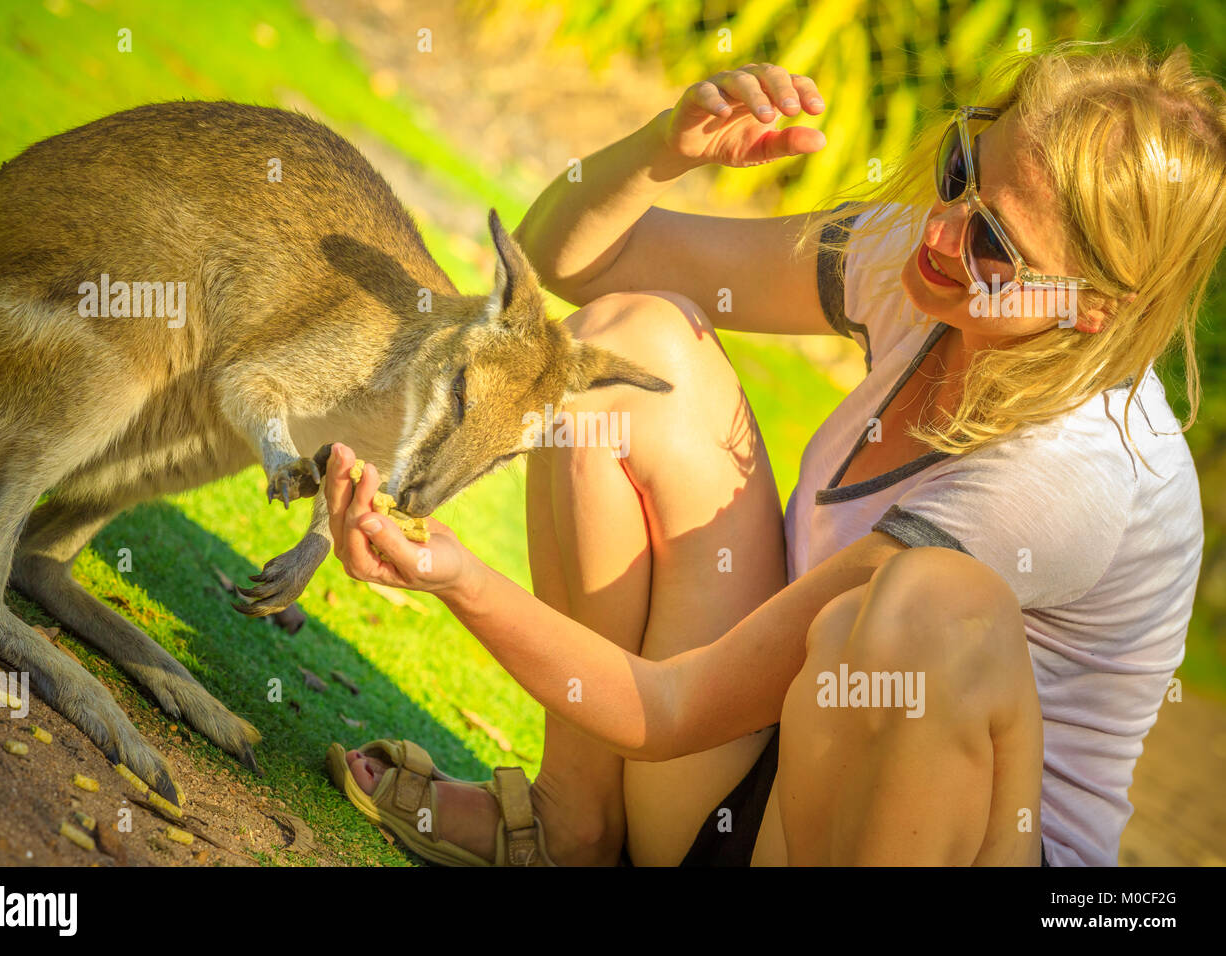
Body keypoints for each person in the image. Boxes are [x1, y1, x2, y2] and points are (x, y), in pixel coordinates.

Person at [321, 40, 1221, 866]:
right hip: (757, 787)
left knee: (926, 615)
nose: (944, 229)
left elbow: (673, 709)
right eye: (961, 173)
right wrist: (664, 150)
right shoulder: (926, 268)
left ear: (1094, 308)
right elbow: (577, 265)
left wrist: (458, 578)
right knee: (626, 350)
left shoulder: (1075, 477)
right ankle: (574, 828)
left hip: (888, 831)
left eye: (996, 245)